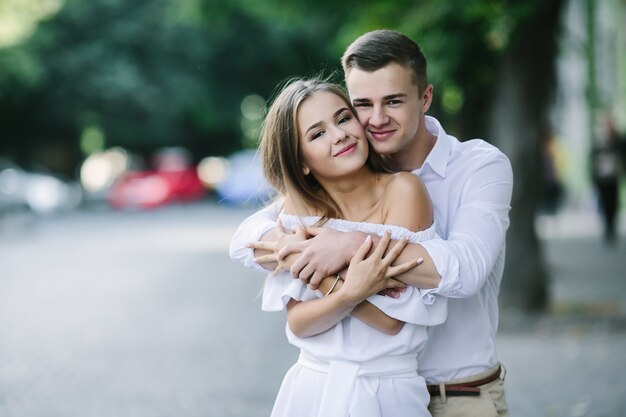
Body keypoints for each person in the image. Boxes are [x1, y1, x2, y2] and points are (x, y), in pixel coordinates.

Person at [230, 29, 513, 417]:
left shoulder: (478, 166)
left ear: (425, 97)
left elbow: (466, 271)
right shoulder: (343, 179)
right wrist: (292, 249)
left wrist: (343, 246)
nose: (376, 119)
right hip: (337, 387)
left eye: (393, 101)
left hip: (458, 395)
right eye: (362, 104)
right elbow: (251, 233)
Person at [234, 77, 448, 417]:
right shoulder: (298, 211)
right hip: (311, 388)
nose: (339, 135)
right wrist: (353, 290)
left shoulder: (403, 190)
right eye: (317, 134)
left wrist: (310, 267)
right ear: (301, 161)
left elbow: (392, 322)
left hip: (388, 391)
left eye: (343, 118)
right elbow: (300, 323)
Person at [592, 112, 623, 245]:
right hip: (602, 177)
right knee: (604, 202)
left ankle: (612, 227)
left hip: (613, 176)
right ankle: (607, 228)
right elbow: (594, 157)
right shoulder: (599, 139)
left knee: (613, 202)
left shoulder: (618, 139)